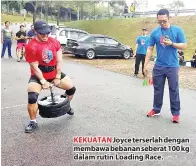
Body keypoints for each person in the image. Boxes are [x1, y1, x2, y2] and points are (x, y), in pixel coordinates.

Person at [24, 20, 76, 133]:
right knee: (32, 97)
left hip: (53, 72)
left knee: (71, 89)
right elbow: (34, 67)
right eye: (42, 33)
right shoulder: (30, 46)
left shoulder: (54, 42)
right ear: (35, 31)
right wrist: (43, 81)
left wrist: (57, 76)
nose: (45, 35)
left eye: (47, 32)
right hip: (38, 75)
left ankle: (65, 107)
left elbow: (59, 61)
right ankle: (33, 122)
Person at [143, 9, 187, 123]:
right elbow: (149, 48)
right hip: (159, 66)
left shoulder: (177, 30)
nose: (162, 23)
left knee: (174, 89)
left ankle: (176, 113)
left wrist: (172, 44)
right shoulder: (155, 32)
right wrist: (145, 64)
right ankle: (156, 109)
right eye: (159, 22)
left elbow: (184, 45)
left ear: (169, 18)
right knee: (158, 89)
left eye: (164, 21)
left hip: (172, 66)